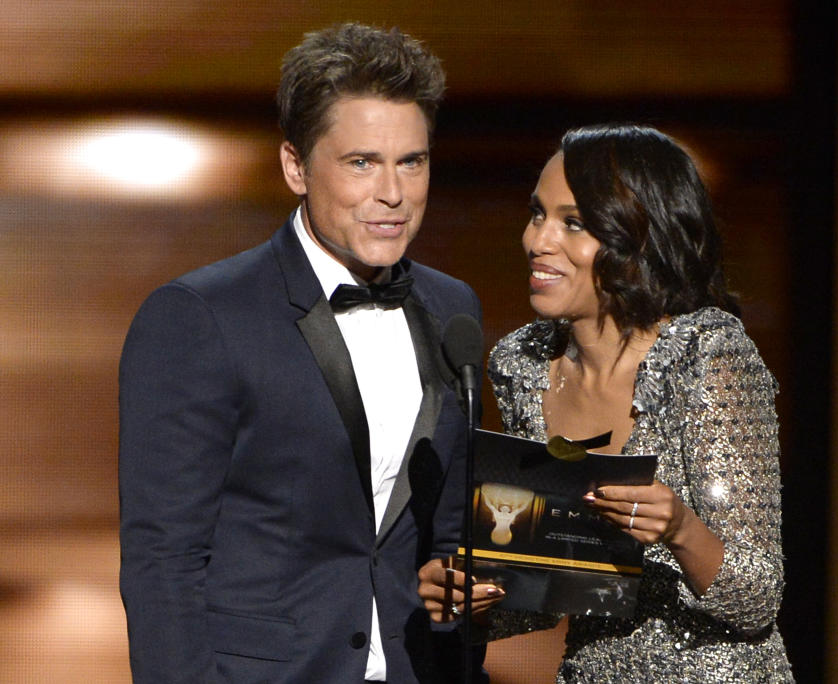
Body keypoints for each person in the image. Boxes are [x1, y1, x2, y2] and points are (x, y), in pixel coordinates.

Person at [119, 23, 483, 683]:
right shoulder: (201, 316)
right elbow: (162, 561)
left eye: (413, 161)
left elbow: (447, 535)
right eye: (361, 162)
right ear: (295, 166)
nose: (394, 194)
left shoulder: (452, 306)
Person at [418, 124, 794, 681]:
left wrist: (681, 529)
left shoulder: (706, 355)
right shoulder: (522, 364)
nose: (537, 240)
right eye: (537, 214)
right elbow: (556, 582)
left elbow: (756, 600)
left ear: (636, 238)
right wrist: (472, 593)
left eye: (573, 223)